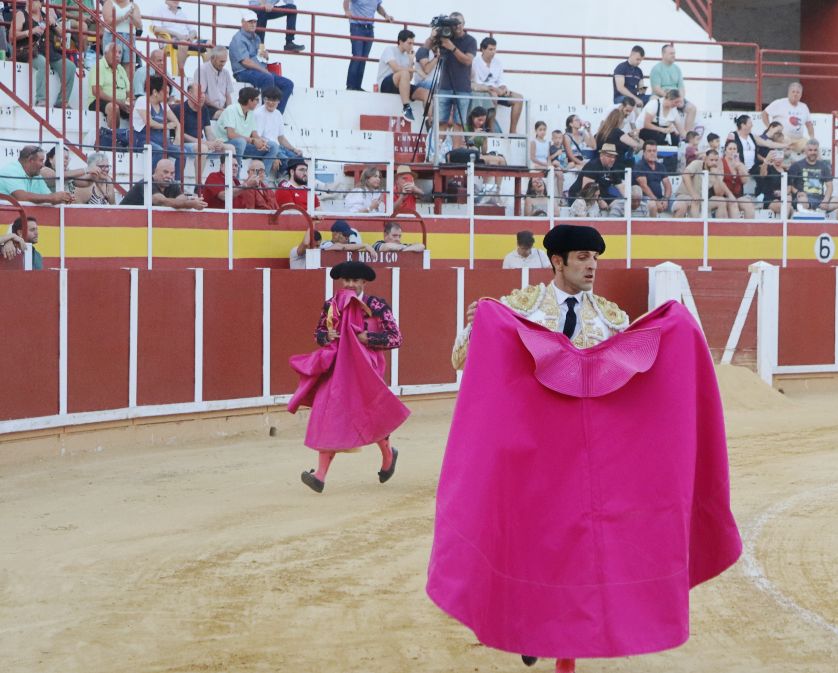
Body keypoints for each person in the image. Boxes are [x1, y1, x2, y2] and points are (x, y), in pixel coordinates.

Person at [433, 223, 741, 673]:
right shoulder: (518, 309)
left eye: (594, 257)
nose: (591, 265)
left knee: (577, 548)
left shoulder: (613, 319)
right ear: (556, 262)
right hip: (533, 455)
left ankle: (559, 644)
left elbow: (637, 381)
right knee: (534, 542)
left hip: (587, 461)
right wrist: (477, 326)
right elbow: (461, 360)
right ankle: (536, 624)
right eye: (581, 257)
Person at [288, 260, 410, 494]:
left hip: (365, 370)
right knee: (329, 415)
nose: (350, 284)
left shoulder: (376, 305)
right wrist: (327, 335)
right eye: (347, 280)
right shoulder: (332, 305)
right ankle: (320, 475)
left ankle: (387, 455)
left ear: (364, 282)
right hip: (336, 368)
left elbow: (396, 337)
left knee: (371, 416)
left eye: (355, 280)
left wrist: (369, 338)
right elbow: (318, 333)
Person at [13, 0, 78, 109]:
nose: (30, 2)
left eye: (34, 1)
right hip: (28, 51)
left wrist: (54, 23)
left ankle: (62, 101)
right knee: (43, 63)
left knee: (70, 67)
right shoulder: (21, 14)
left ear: (40, 4)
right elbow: (12, 35)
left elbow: (63, 34)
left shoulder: (46, 16)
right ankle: (41, 100)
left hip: (49, 52)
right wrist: (30, 32)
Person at [229, 9, 295, 111]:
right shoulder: (238, 39)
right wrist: (264, 70)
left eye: (255, 21)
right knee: (267, 78)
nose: (253, 24)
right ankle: (266, 113)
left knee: (288, 84)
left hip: (257, 71)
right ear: (243, 22)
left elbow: (260, 57)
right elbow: (245, 62)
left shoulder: (256, 38)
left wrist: (265, 55)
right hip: (242, 72)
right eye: (250, 21)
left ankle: (276, 114)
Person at [431, 12, 477, 147]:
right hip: (444, 86)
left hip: (462, 87)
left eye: (459, 23)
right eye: (453, 23)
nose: (456, 26)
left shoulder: (470, 40)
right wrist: (433, 35)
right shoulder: (444, 36)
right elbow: (427, 48)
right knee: (440, 121)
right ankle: (437, 153)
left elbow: (468, 60)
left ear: (464, 24)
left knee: (459, 122)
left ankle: (455, 154)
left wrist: (452, 47)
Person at [213, 86, 280, 167]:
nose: (258, 102)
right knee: (240, 142)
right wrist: (253, 141)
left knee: (273, 146)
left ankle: (263, 177)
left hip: (244, 146)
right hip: (225, 145)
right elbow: (231, 135)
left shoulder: (250, 112)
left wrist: (262, 142)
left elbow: (254, 133)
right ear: (249, 100)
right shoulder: (231, 110)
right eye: (257, 100)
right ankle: (235, 177)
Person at [471, 36, 524, 134]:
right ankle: (491, 130)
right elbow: (477, 83)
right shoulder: (475, 62)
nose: (493, 52)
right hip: (484, 91)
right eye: (490, 49)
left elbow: (501, 81)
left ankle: (513, 131)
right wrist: (493, 90)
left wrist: (503, 89)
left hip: (496, 91)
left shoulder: (498, 62)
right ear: (483, 49)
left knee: (519, 98)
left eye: (494, 49)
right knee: (494, 96)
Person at [119, 157, 207, 208]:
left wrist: (189, 201)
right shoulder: (146, 183)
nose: (169, 176)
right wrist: (190, 204)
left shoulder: (171, 183)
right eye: (165, 172)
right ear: (155, 171)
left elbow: (182, 198)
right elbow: (161, 201)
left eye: (172, 173)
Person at [254, 85, 303, 177]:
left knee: (299, 159)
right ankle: (281, 181)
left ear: (279, 102)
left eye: (274, 100)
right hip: (268, 147)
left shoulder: (278, 114)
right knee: (286, 161)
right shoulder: (258, 113)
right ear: (264, 99)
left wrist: (294, 149)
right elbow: (258, 137)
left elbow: (281, 138)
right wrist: (274, 156)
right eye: (268, 99)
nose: (271, 103)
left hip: (279, 147)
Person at [377, 29, 424, 122]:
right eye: (409, 43)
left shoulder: (408, 56)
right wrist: (415, 70)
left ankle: (429, 122)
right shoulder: (389, 49)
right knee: (404, 72)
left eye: (413, 43)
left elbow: (409, 79)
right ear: (401, 42)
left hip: (401, 85)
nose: (411, 46)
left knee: (426, 93)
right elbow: (396, 68)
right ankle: (406, 107)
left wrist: (411, 61)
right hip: (385, 85)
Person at [345, 0, 393, 92]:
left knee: (364, 58)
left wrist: (386, 16)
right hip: (357, 27)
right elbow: (346, 1)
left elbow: (378, 6)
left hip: (369, 28)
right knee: (357, 56)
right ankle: (351, 86)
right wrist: (347, 11)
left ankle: (357, 86)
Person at [0, 145, 74, 204]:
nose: (43, 165)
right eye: (41, 161)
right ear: (30, 160)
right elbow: (21, 197)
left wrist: (63, 198)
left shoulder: (36, 175)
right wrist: (53, 197)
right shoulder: (11, 170)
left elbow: (49, 196)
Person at [650, 44, 698, 134]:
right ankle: (656, 133)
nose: (673, 55)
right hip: (662, 96)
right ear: (663, 54)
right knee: (653, 102)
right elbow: (656, 89)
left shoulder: (677, 69)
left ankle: (686, 136)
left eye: (674, 53)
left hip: (676, 97)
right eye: (671, 53)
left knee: (692, 108)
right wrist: (670, 98)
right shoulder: (656, 69)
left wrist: (681, 99)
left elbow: (681, 87)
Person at [567, 144, 626, 216]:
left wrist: (630, 199)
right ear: (601, 155)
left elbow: (622, 188)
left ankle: (614, 222)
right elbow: (587, 189)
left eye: (614, 157)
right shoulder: (593, 165)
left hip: (601, 195)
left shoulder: (612, 168)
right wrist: (600, 201)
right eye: (609, 156)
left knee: (620, 204)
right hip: (581, 195)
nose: (612, 159)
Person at [86, 41, 132, 130]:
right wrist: (118, 102)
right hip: (99, 101)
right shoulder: (99, 66)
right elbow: (96, 91)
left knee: (141, 109)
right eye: (114, 52)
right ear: (105, 53)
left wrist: (129, 103)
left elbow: (128, 92)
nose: (118, 55)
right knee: (113, 107)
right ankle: (115, 138)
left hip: (121, 102)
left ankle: (138, 140)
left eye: (120, 53)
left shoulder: (121, 69)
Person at [788, 138, 833, 213]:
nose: (813, 152)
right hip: (803, 198)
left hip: (820, 199)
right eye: (810, 150)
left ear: (818, 151)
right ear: (805, 151)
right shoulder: (796, 165)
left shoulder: (824, 166)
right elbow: (789, 184)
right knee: (803, 201)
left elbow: (830, 186)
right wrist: (797, 192)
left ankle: (836, 225)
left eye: (815, 150)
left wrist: (826, 200)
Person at [196, 46, 238, 120]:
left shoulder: (226, 73)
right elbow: (202, 95)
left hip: (221, 108)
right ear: (212, 58)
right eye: (221, 61)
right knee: (225, 116)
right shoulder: (202, 70)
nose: (223, 64)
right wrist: (222, 109)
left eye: (225, 61)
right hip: (206, 107)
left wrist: (229, 109)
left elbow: (228, 95)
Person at [633, 140, 673, 218]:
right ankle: (654, 229)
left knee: (681, 204)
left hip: (660, 198)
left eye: (654, 151)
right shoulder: (639, 166)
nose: (652, 153)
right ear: (644, 152)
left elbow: (667, 185)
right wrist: (656, 200)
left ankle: (675, 229)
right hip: (644, 198)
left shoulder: (661, 166)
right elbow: (644, 186)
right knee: (652, 205)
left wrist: (665, 199)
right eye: (649, 151)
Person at [720, 140, 756, 219]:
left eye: (734, 149)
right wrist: (729, 195)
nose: (732, 151)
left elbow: (745, 181)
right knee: (733, 204)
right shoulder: (720, 162)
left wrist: (739, 166)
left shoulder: (740, 164)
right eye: (730, 149)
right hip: (724, 195)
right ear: (725, 151)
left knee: (748, 205)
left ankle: (748, 230)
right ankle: (735, 230)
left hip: (737, 195)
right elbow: (719, 181)